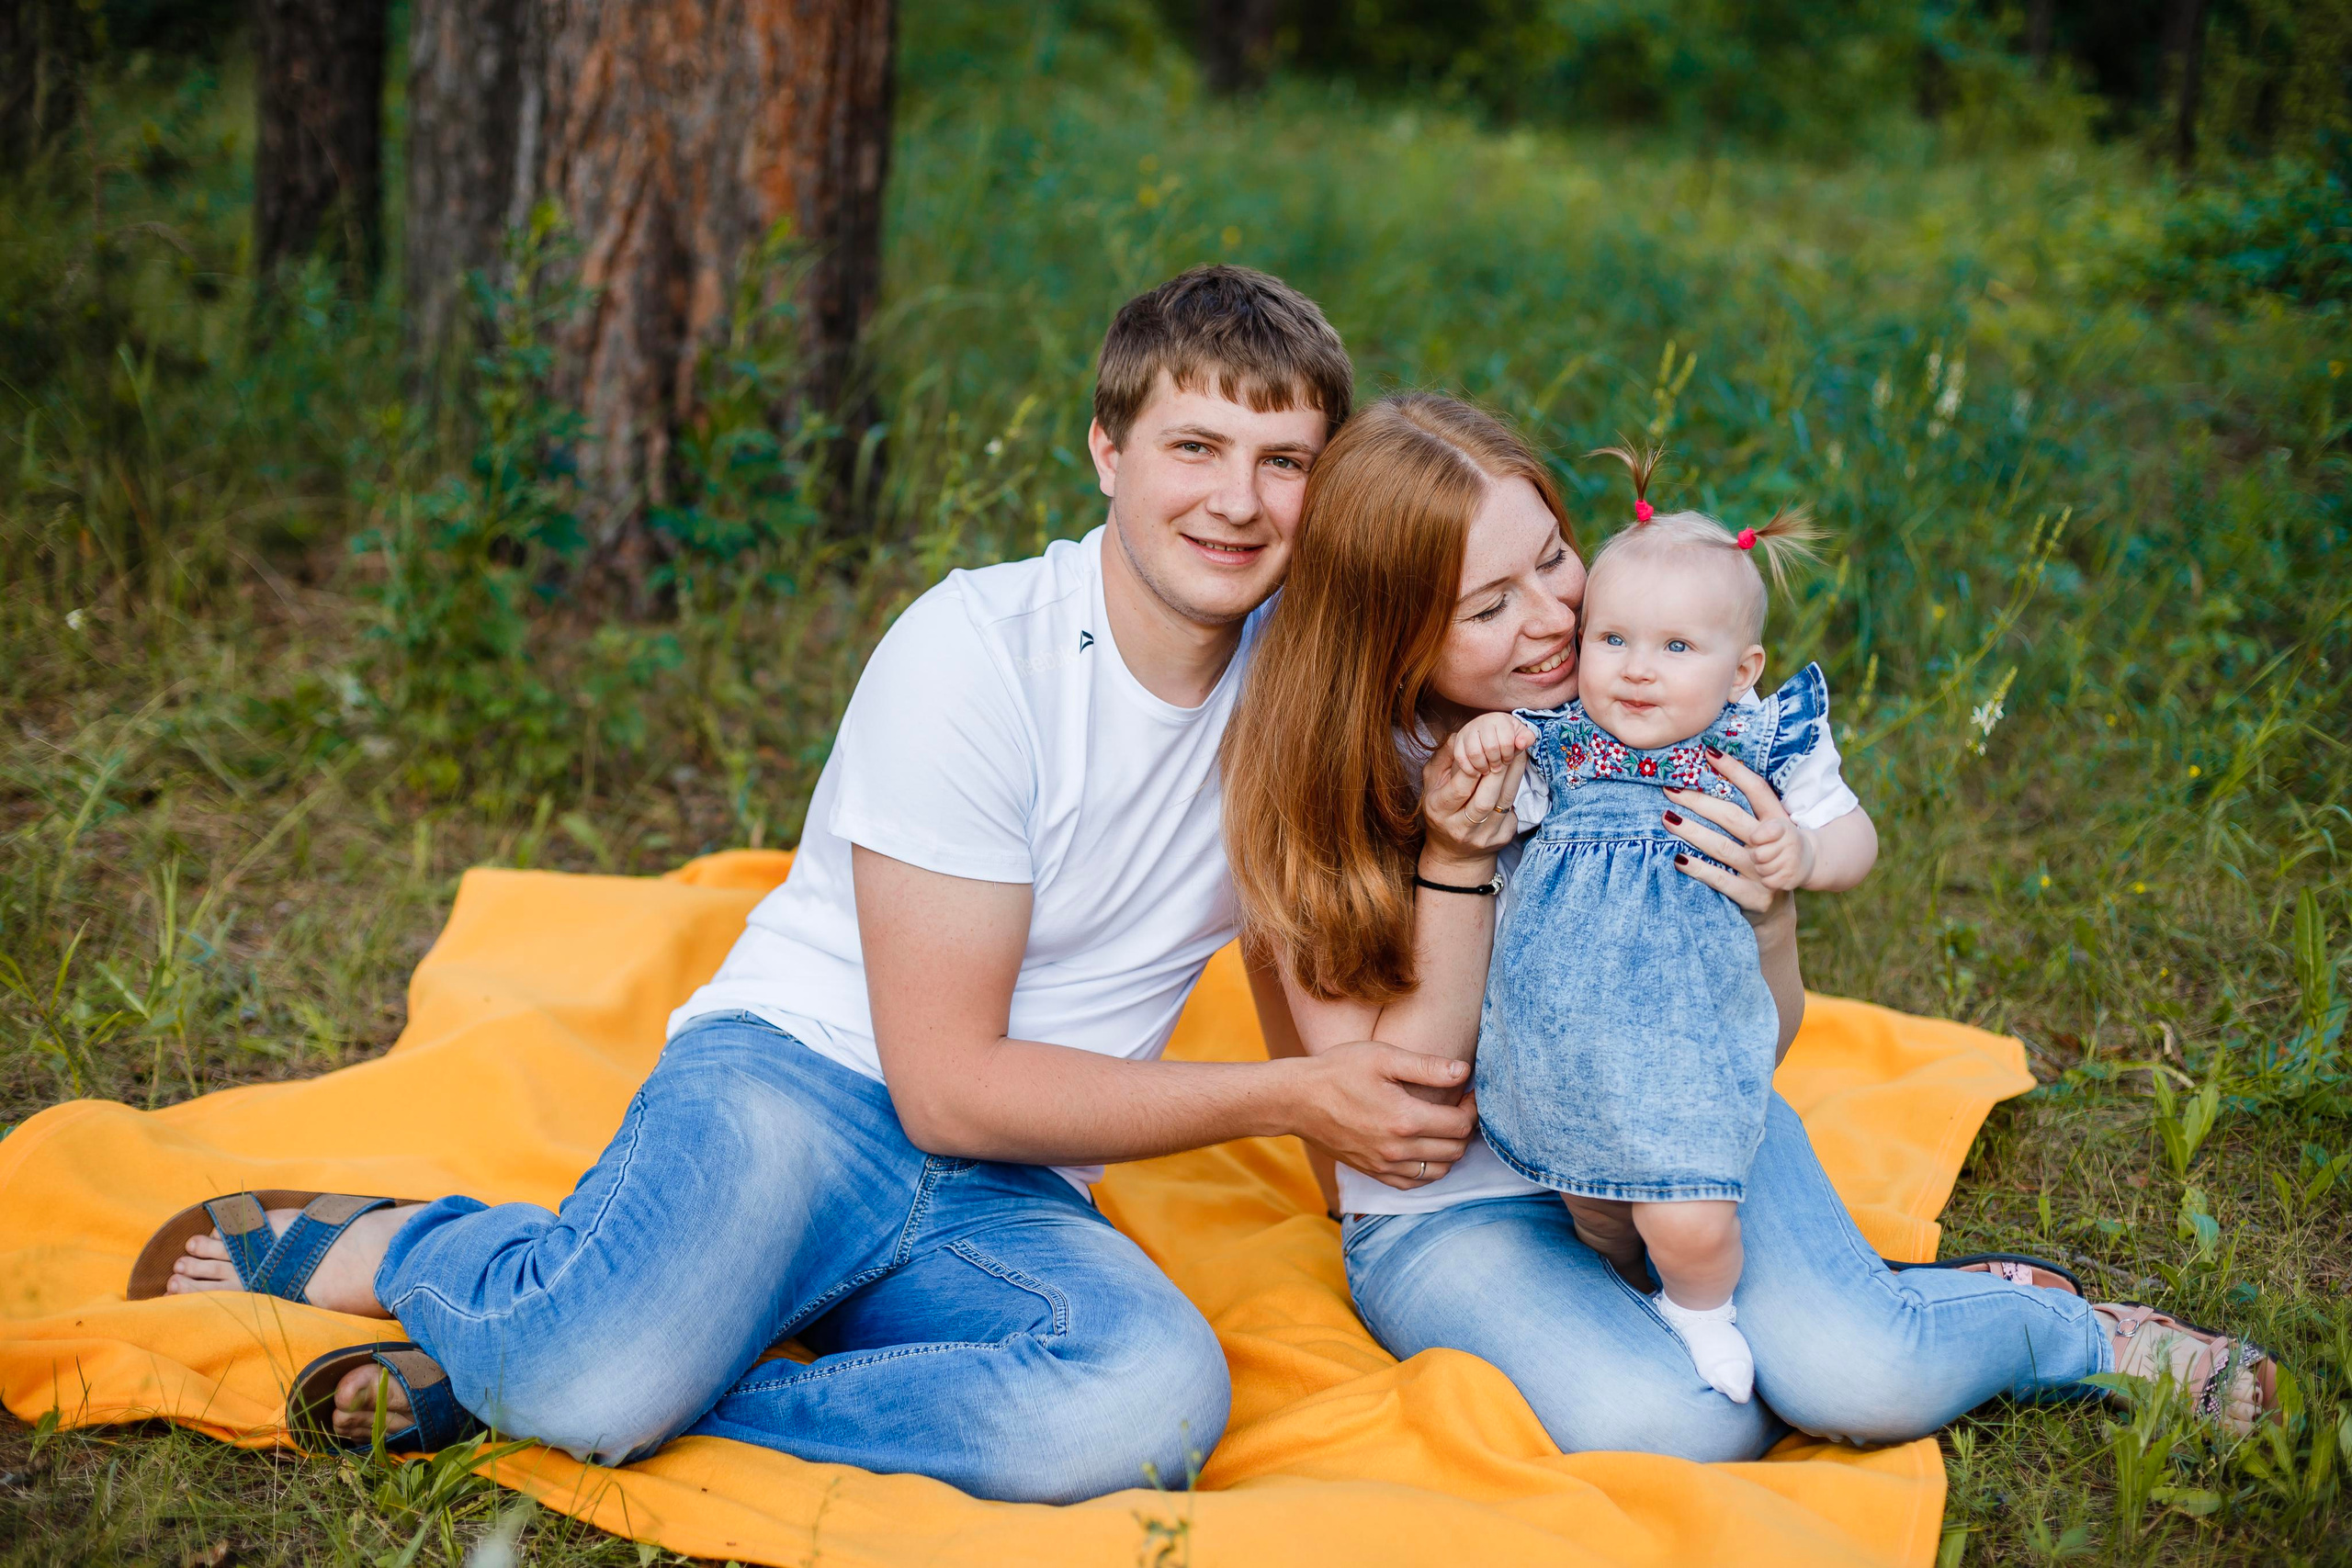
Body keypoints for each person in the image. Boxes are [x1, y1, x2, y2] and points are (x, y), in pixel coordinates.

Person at [134, 266, 1488, 1504]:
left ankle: (599, 1385)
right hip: (800, 1089)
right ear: (1108, 448)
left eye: (1285, 462)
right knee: (594, 1379)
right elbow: (944, 1083)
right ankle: (422, 1255)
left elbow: (1305, 913)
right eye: (1196, 446)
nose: (1237, 502)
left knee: (1145, 1402)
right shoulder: (978, 654)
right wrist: (1289, 1096)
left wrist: (1341, 1182)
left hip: (1016, 1184)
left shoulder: (1307, 696)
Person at [1221, 390, 2278, 1459]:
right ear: (1386, 631)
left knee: (1862, 1380)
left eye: (1551, 559)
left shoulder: (1648, 714)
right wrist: (1455, 861)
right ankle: (1811, 1312)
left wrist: (1766, 913)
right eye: (1485, 606)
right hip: (1455, 1205)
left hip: (1678, 1111)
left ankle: (2060, 1327)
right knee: (1682, 1428)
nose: (1551, 619)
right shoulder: (1331, 784)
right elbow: (1403, 1126)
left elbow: (1756, 1039)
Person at [1444, 446, 1877, 1403]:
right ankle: (1626, 1279)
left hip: (1688, 1042)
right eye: (1613, 642)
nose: (1638, 673)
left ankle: (1699, 1308)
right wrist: (1483, 745)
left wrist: (1800, 859)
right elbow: (1475, 816)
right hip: (1565, 1048)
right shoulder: (1557, 743)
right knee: (1592, 1201)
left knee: (1688, 1216)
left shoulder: (1758, 744)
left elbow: (1853, 835)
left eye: (1677, 649)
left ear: (1741, 670)